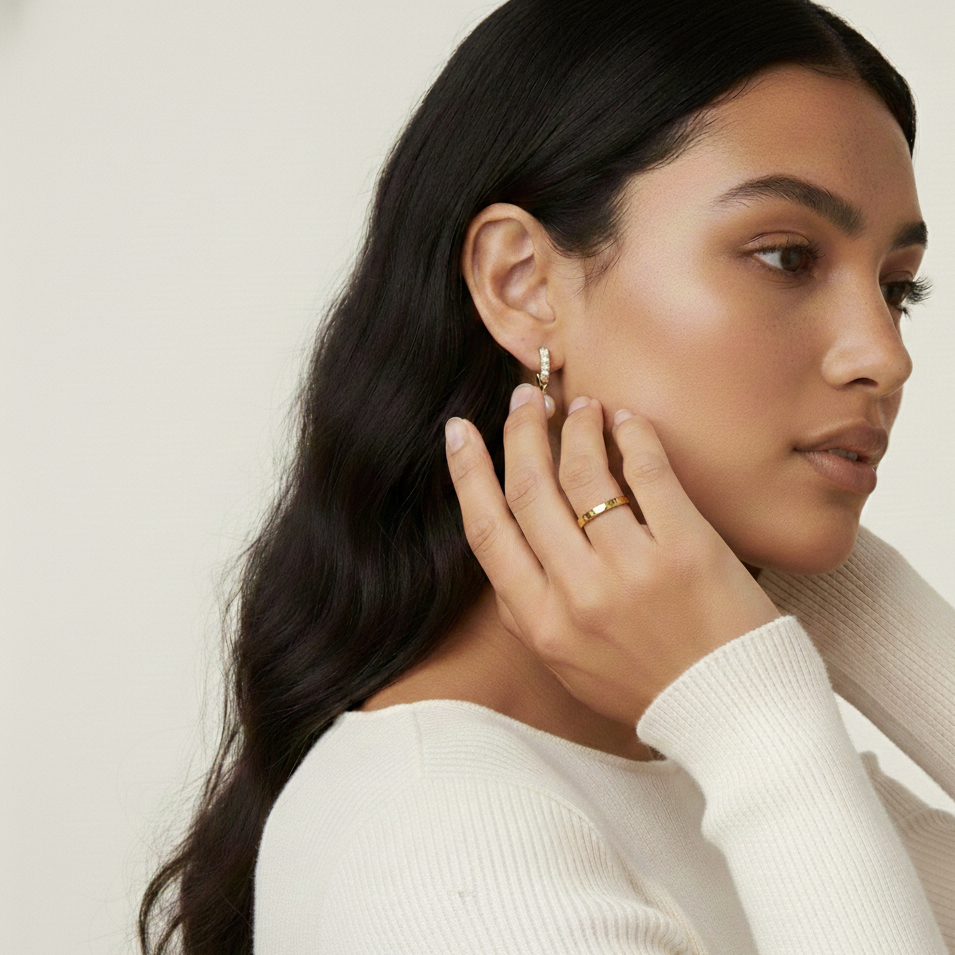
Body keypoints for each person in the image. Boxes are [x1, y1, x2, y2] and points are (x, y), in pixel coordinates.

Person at [139, 0, 955, 952]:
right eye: (786, 256)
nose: (883, 355)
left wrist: (854, 604)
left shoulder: (730, 776)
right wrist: (753, 716)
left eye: (895, 288)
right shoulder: (442, 842)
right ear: (522, 282)